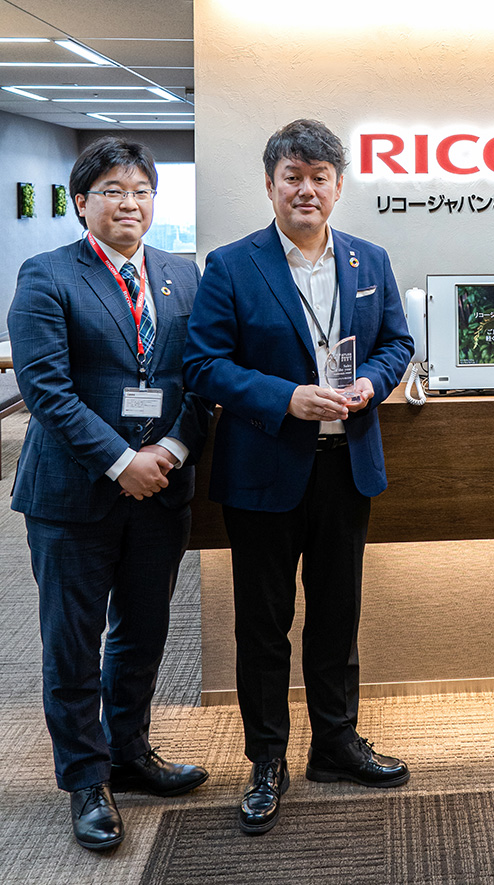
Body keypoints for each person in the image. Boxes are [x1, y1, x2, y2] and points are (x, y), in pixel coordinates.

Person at [183, 119, 413, 835]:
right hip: (264, 470)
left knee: (338, 614)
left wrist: (372, 383)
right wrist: (286, 398)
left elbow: (397, 342)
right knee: (264, 623)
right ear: (270, 185)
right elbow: (203, 365)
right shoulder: (231, 265)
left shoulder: (370, 259)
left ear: (339, 186)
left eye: (319, 177)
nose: (306, 189)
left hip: (346, 466)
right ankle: (266, 760)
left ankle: (335, 743)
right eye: (293, 177)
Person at [7, 137, 211, 851]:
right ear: (81, 202)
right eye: (113, 191)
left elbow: (202, 374)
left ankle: (129, 752)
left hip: (162, 487)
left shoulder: (181, 273)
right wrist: (121, 460)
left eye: (141, 191)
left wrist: (172, 450)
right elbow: (45, 390)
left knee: (143, 630)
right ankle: (86, 780)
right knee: (73, 642)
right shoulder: (47, 274)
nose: (130, 203)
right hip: (73, 495)